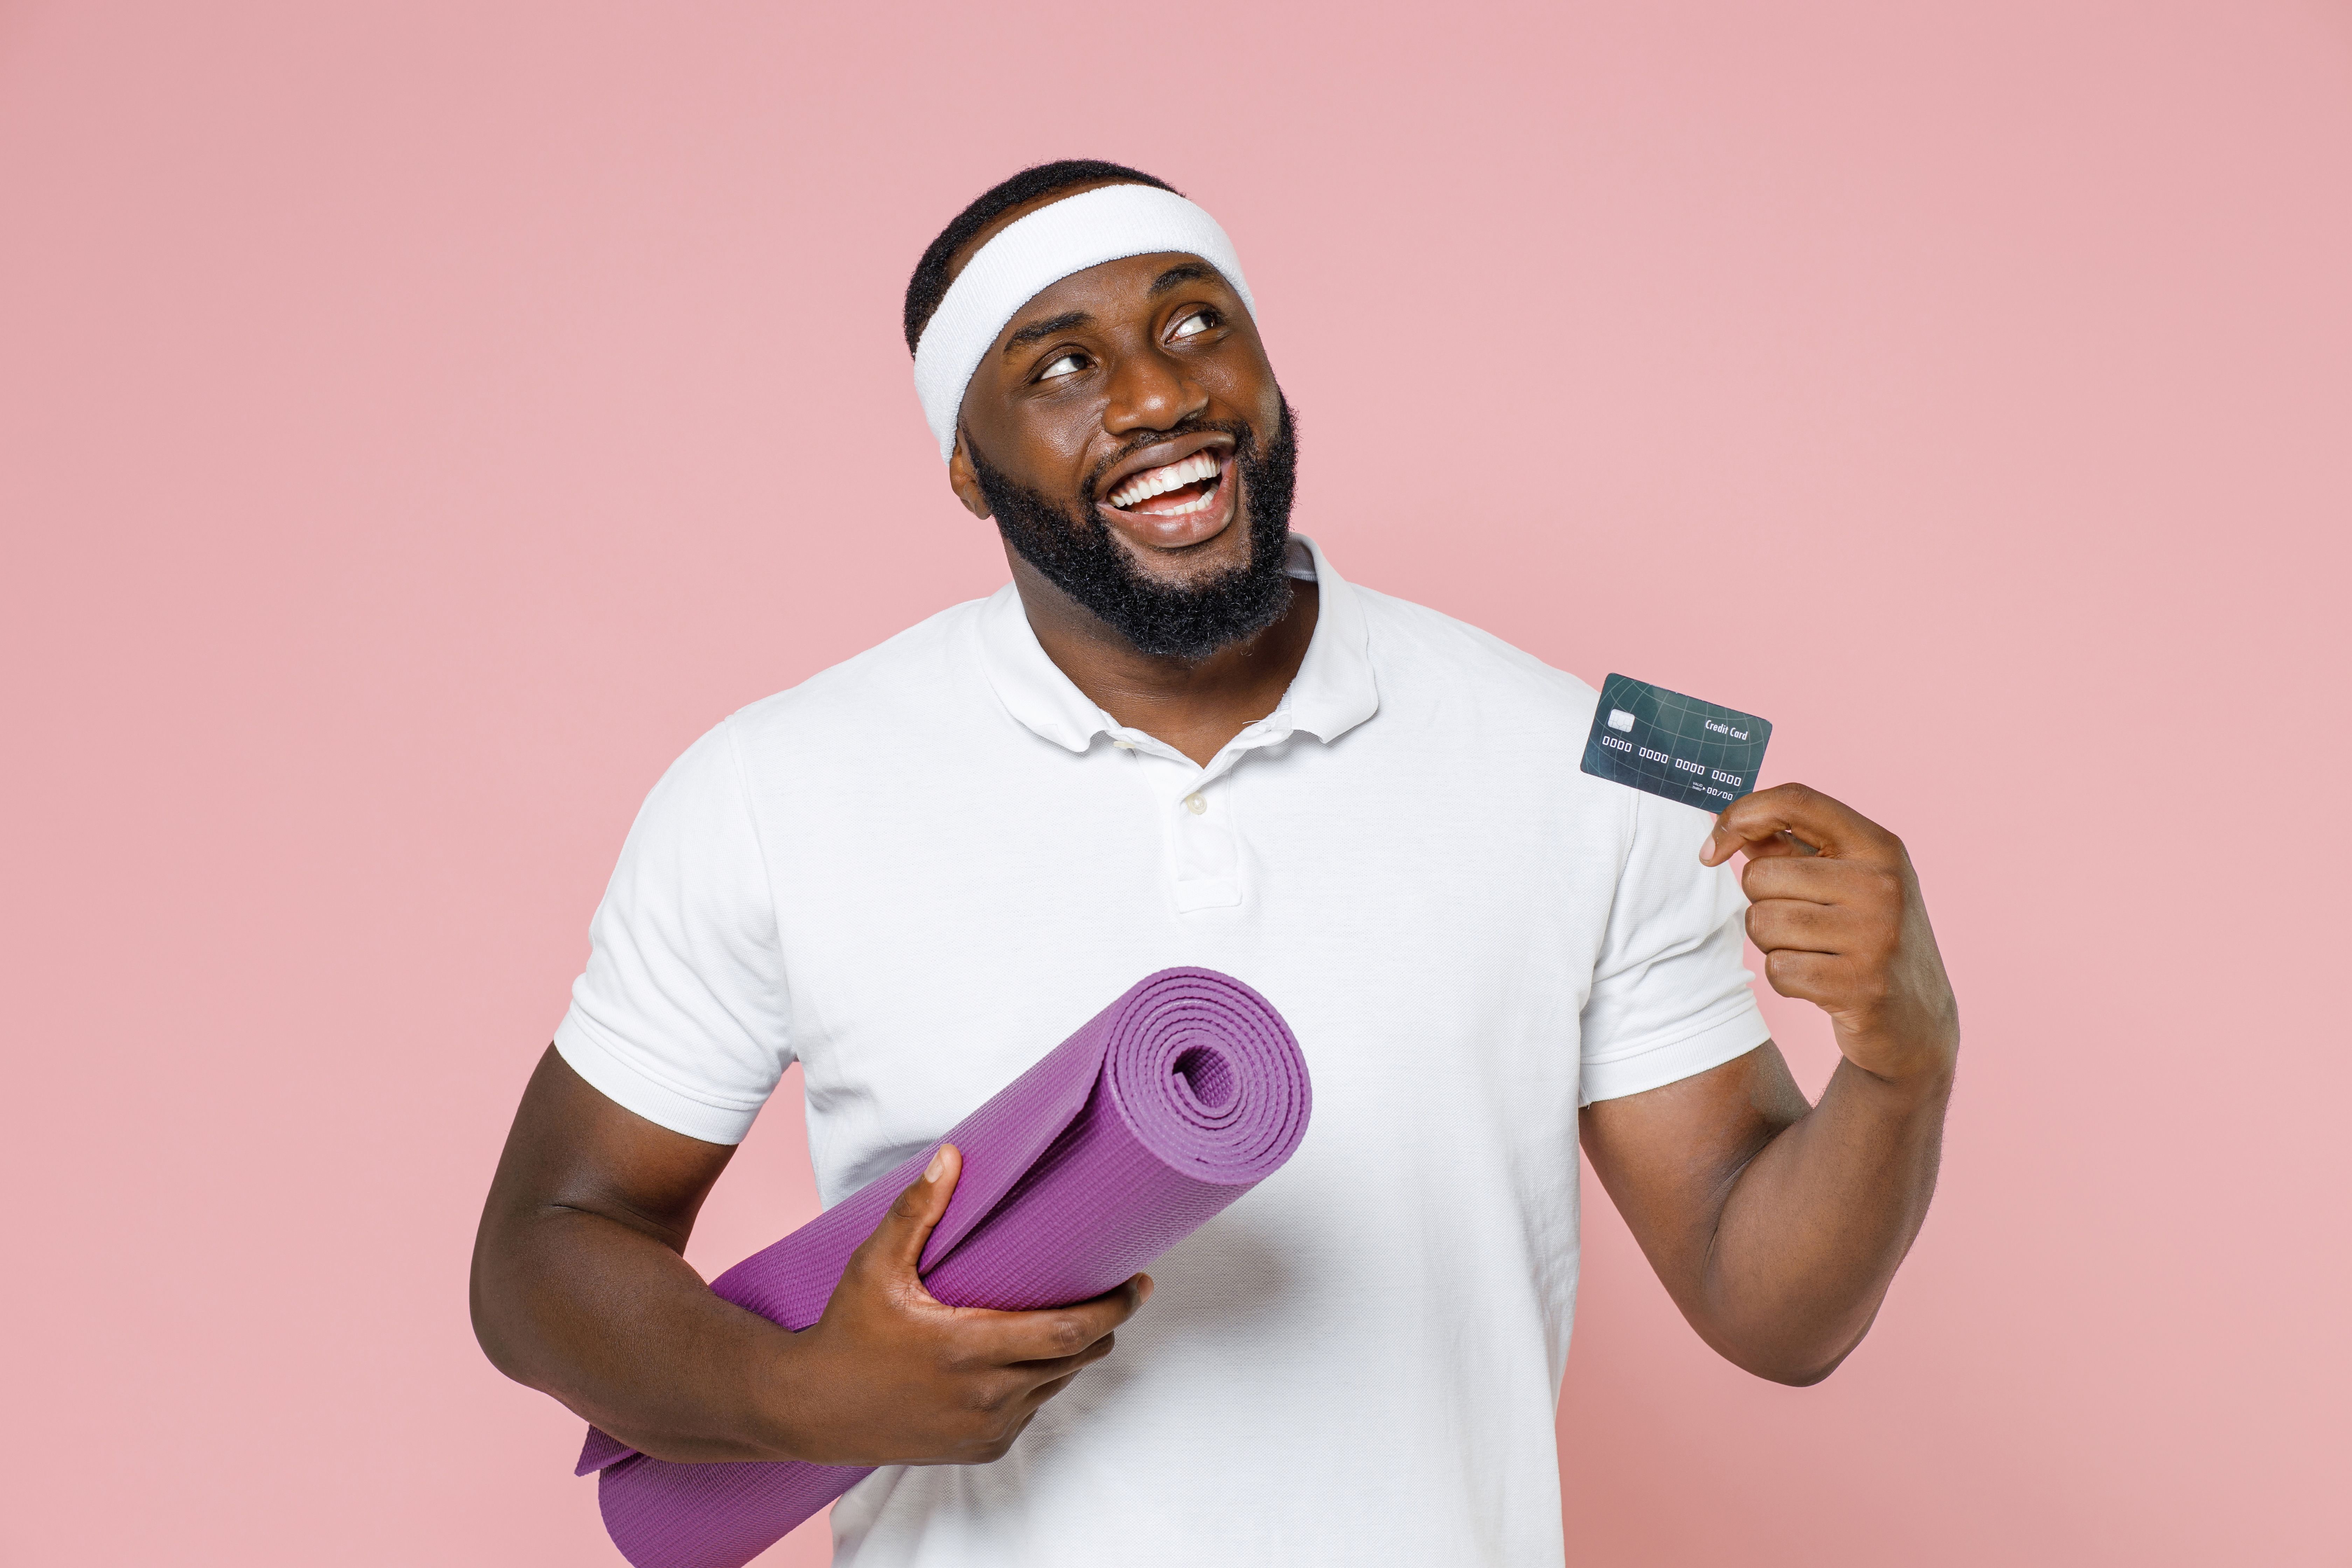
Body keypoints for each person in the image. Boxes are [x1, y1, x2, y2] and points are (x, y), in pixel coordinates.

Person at [470, 159, 1960, 1567]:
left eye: (1197, 322)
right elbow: (544, 1250)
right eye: (1057, 365)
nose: (1161, 392)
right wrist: (806, 1395)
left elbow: (1777, 1310)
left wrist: (1902, 1061)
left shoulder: (1568, 760)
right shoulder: (774, 789)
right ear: (969, 474)